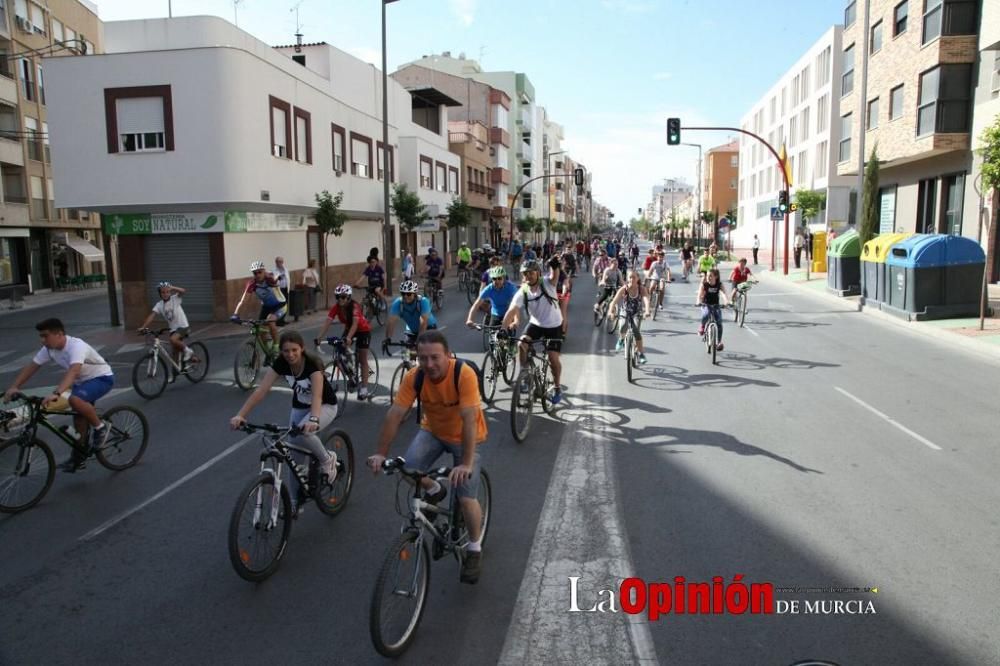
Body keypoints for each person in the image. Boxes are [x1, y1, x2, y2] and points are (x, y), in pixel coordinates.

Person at [367, 330, 488, 584]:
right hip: (432, 431)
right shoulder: (415, 377)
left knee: (466, 498)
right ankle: (434, 490)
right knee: (409, 468)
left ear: (448, 355)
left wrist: (465, 463)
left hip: (466, 437)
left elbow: (468, 421)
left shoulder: (463, 374)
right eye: (423, 358)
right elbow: (395, 414)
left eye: (435, 358)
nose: (429, 364)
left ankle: (474, 548)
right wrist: (381, 453)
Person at [230, 330, 338, 515]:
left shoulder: (312, 365)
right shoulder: (281, 363)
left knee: (305, 433)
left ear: (302, 349)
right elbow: (261, 391)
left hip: (324, 406)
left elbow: (318, 396)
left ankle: (328, 459)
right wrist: (241, 415)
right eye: (286, 351)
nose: (290, 355)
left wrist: (313, 420)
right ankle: (295, 502)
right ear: (281, 351)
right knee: (293, 457)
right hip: (299, 407)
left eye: (294, 350)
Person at [4, 318, 115, 472]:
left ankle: (100, 427)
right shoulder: (50, 349)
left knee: (74, 399)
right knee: (78, 420)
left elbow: (74, 371)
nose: (42, 340)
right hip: (82, 384)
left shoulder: (76, 346)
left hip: (101, 378)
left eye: (45, 336)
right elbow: (32, 367)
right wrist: (14, 387)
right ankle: (79, 458)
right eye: (40, 336)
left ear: (59, 334)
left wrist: (56, 393)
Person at [502, 259, 564, 405]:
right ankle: (525, 375)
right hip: (536, 324)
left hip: (554, 325)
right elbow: (511, 311)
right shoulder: (523, 291)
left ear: (538, 273)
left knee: (553, 358)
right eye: (525, 273)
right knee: (521, 344)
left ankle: (557, 387)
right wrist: (503, 330)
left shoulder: (547, 283)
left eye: (531, 272)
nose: (528, 276)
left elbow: (554, 276)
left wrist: (555, 266)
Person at [315, 284, 373, 399]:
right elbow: (328, 321)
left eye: (343, 297)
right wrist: (319, 337)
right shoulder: (336, 307)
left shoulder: (354, 306)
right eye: (338, 297)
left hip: (362, 330)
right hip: (349, 329)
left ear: (349, 297)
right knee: (339, 352)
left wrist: (349, 338)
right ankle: (351, 375)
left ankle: (364, 388)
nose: (340, 300)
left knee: (362, 359)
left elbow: (355, 324)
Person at [139, 281, 193, 379]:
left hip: (183, 326)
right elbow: (152, 315)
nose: (165, 294)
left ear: (170, 292)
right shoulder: (159, 305)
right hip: (173, 329)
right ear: (160, 294)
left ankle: (188, 351)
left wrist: (172, 287)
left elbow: (183, 291)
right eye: (163, 292)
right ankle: (176, 372)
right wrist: (143, 327)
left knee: (173, 340)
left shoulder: (175, 299)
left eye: (167, 292)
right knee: (174, 352)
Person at [231, 260, 286, 354]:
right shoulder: (252, 284)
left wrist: (276, 279)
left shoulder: (270, 279)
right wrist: (235, 314)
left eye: (260, 272)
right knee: (260, 330)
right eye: (255, 273)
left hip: (279, 305)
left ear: (264, 271)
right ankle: (269, 352)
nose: (257, 275)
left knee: (270, 321)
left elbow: (276, 278)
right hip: (266, 307)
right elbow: (243, 300)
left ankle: (276, 347)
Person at [608, 270, 651, 364]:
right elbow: (613, 301)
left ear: (638, 278)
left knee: (636, 331)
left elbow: (646, 300)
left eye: (634, 277)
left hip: (637, 312)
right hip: (625, 311)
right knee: (623, 326)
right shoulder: (624, 289)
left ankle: (641, 354)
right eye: (630, 277)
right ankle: (621, 339)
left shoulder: (641, 289)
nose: (632, 279)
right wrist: (611, 312)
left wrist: (647, 311)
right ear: (627, 279)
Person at [698, 268, 729, 351]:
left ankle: (719, 342)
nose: (708, 277)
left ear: (716, 276)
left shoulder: (719, 284)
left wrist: (726, 302)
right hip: (706, 304)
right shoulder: (704, 284)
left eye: (711, 276)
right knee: (706, 315)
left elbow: (724, 293)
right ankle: (702, 326)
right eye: (707, 275)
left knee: (719, 322)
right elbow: (700, 294)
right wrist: (699, 301)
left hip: (715, 305)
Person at [274, 256, 290, 323]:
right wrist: (278, 277)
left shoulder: (285, 269)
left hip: (286, 288)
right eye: (278, 262)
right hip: (279, 289)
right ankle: (279, 320)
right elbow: (274, 279)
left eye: (281, 262)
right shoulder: (274, 270)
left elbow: (288, 278)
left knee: (285, 304)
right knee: (280, 305)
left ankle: (283, 319)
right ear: (276, 262)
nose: (280, 263)